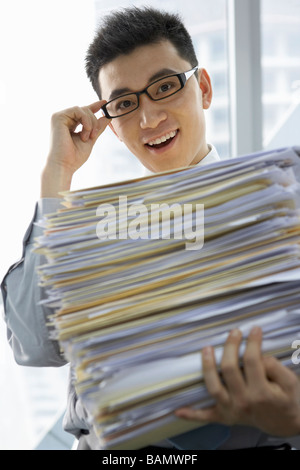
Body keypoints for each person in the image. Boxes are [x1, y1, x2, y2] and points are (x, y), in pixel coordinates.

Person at [1, 6, 300, 450]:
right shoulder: (92, 229)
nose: (148, 118)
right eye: (124, 103)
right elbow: (33, 344)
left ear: (203, 88)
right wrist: (56, 177)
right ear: (113, 128)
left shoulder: (278, 208)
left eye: (164, 87)